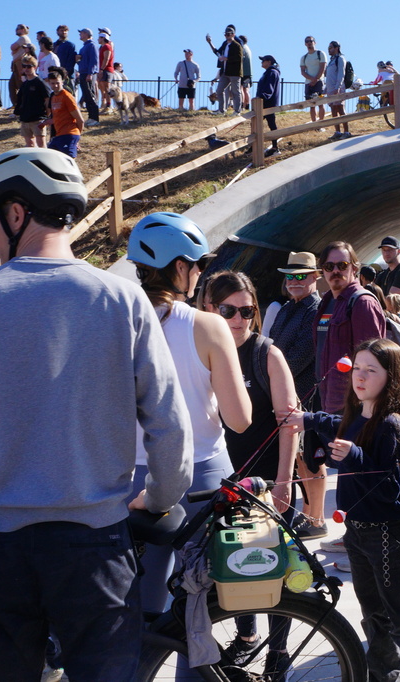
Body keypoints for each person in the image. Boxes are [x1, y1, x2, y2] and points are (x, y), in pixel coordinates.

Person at [0, 148, 192, 680]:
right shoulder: (124, 301)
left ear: (16, 213)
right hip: (95, 544)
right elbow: (169, 425)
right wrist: (161, 497)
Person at [287, 339, 400, 682]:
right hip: (357, 531)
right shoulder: (359, 414)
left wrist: (355, 457)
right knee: (373, 617)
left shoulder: (392, 425)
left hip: (388, 534)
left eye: (371, 370)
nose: (360, 376)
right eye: (357, 368)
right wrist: (307, 419)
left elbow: (390, 488)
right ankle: (383, 675)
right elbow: (337, 423)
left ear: (391, 377)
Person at [126, 212, 252, 614]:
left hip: (131, 478)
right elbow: (239, 420)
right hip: (203, 476)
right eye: (200, 264)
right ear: (180, 266)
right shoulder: (209, 327)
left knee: (142, 605)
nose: (201, 273)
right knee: (203, 602)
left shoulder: (115, 321)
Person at [200, 271, 299, 672]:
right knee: (233, 563)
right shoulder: (199, 348)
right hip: (222, 479)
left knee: (277, 566)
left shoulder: (265, 353)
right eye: (228, 311)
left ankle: (279, 650)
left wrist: (285, 482)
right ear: (209, 308)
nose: (239, 319)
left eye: (247, 310)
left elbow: (289, 422)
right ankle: (246, 635)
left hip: (267, 479)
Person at [263, 252, 328, 539]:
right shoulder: (288, 307)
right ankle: (308, 514)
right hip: (287, 393)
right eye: (289, 276)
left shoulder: (316, 310)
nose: (294, 281)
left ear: (315, 277)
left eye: (301, 276)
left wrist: (272, 375)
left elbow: (301, 356)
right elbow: (271, 346)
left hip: (307, 395)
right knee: (298, 459)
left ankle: (317, 520)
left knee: (311, 458)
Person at [316, 241, 387, 415]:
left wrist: (366, 411)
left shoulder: (362, 303)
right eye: (329, 266)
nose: (335, 271)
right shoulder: (326, 302)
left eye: (342, 265)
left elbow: (373, 362)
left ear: (354, 268)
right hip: (327, 398)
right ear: (323, 271)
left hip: (351, 406)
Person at [42, 66, 83, 158]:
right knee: (50, 158)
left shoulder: (67, 96)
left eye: (57, 83)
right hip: (58, 135)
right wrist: (47, 122)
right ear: (49, 83)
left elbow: (80, 120)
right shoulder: (53, 97)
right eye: (53, 83)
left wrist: (76, 138)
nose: (55, 86)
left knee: (68, 160)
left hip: (70, 134)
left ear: (62, 82)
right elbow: (59, 116)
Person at [14, 56, 47, 147]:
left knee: (41, 144)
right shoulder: (24, 84)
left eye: (29, 66)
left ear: (35, 67)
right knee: (29, 145)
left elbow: (47, 99)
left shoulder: (40, 82)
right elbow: (20, 100)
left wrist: (48, 115)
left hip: (38, 119)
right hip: (25, 119)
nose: (26, 69)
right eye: (24, 66)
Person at [323, 40, 350, 140]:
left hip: (337, 88)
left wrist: (338, 87)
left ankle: (346, 131)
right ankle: (337, 131)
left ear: (336, 48)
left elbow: (341, 74)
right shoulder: (331, 61)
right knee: (333, 110)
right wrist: (325, 89)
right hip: (330, 89)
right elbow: (328, 77)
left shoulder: (340, 59)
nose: (329, 50)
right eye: (328, 48)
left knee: (340, 108)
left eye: (331, 48)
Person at [256, 54, 282, 155]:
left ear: (269, 62)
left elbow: (269, 88)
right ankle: (255, 147)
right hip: (264, 102)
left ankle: (274, 148)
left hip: (267, 103)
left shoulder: (272, 72)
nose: (261, 62)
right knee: (258, 124)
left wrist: (262, 96)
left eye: (263, 60)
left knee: (269, 124)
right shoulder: (269, 72)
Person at [301, 36, 326, 127]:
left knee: (320, 103)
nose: (309, 43)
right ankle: (314, 124)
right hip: (308, 83)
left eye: (310, 41)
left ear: (314, 42)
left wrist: (316, 79)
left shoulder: (320, 54)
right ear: (305, 44)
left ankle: (321, 124)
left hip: (319, 82)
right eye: (307, 41)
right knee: (311, 104)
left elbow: (323, 67)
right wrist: (311, 80)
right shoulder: (304, 57)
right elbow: (303, 71)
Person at [76, 29, 100, 125]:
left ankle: (95, 118)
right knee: (86, 95)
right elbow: (83, 61)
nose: (80, 34)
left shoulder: (92, 45)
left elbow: (94, 61)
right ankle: (91, 116)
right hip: (83, 73)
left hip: (88, 74)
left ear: (86, 34)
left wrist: (90, 73)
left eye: (81, 33)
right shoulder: (84, 47)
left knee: (90, 95)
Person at [9, 23, 33, 105]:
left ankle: (23, 102)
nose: (16, 30)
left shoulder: (23, 38)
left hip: (20, 62)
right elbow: (13, 50)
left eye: (18, 29)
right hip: (16, 62)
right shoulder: (21, 39)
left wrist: (15, 49)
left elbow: (12, 47)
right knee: (12, 84)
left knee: (20, 83)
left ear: (23, 30)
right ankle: (16, 103)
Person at [96, 32, 114, 111]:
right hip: (103, 69)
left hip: (106, 70)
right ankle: (105, 104)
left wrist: (101, 69)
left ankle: (109, 105)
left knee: (106, 88)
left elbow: (106, 59)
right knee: (102, 88)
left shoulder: (107, 47)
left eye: (99, 38)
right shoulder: (102, 47)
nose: (98, 39)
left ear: (103, 38)